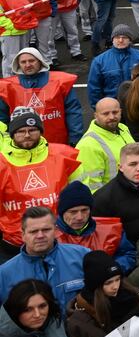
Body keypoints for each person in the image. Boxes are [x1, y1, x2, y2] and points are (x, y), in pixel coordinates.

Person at [0, 108, 79, 255]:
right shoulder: (1, 164)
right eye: (21, 131)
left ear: (41, 131)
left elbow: (79, 196)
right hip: (14, 245)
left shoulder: (64, 155)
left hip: (58, 240)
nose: (27, 135)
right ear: (12, 135)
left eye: (32, 130)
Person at [0, 204, 89, 307]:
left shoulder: (82, 256)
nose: (40, 236)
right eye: (33, 231)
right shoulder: (4, 274)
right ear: (23, 235)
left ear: (56, 231)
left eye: (46, 230)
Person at [64, 249, 139, 337]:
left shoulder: (132, 296)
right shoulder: (79, 321)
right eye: (108, 282)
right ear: (95, 285)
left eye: (117, 279)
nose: (115, 286)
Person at [0, 46, 83, 147]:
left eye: (31, 61)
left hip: (57, 144)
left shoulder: (60, 82)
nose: (28, 65)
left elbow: (73, 111)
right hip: (22, 146)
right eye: (23, 62)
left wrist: (75, 137)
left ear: (40, 61)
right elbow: (2, 119)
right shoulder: (7, 87)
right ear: (18, 64)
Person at [54, 180, 136, 270]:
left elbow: (129, 255)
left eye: (84, 210)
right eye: (73, 212)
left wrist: (111, 270)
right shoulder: (48, 234)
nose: (79, 217)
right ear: (62, 213)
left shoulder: (111, 229)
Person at [70, 97, 137, 193]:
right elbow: (92, 186)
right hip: (112, 202)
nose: (111, 117)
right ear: (96, 116)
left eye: (115, 112)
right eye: (105, 114)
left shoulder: (123, 128)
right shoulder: (88, 144)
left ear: (121, 112)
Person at [86, 25, 139, 107]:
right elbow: (94, 88)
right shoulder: (99, 61)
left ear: (130, 40)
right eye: (117, 37)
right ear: (112, 39)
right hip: (112, 109)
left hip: (138, 106)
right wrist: (99, 108)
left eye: (124, 37)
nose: (120, 40)